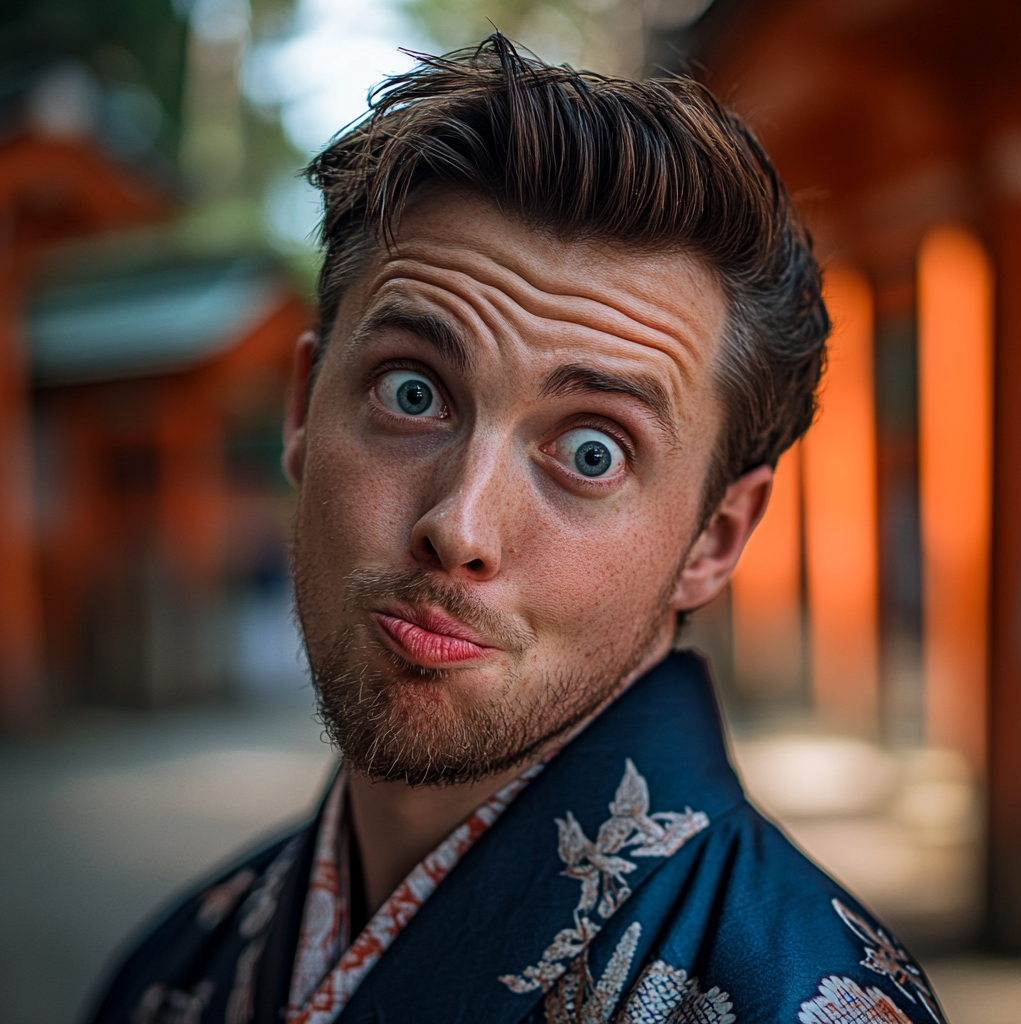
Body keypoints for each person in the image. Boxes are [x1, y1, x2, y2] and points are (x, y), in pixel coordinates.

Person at [86, 34, 946, 1024]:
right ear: (302, 408)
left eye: (592, 451)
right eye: (412, 392)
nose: (458, 525)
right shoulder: (174, 970)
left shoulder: (798, 995)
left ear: (714, 537)